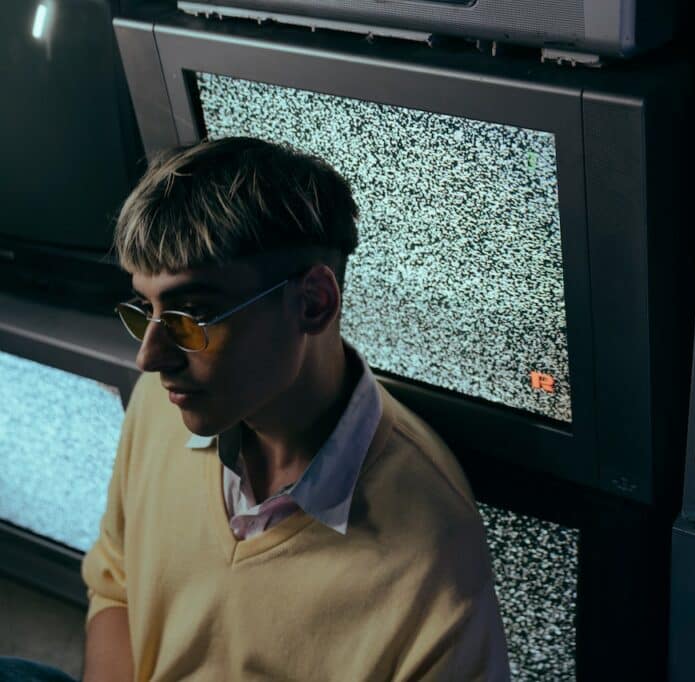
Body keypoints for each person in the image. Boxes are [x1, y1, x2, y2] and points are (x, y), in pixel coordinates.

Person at [4, 137, 508, 681]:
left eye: (190, 315)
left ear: (313, 302)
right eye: (145, 309)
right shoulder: (163, 402)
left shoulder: (439, 564)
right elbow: (115, 584)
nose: (149, 358)